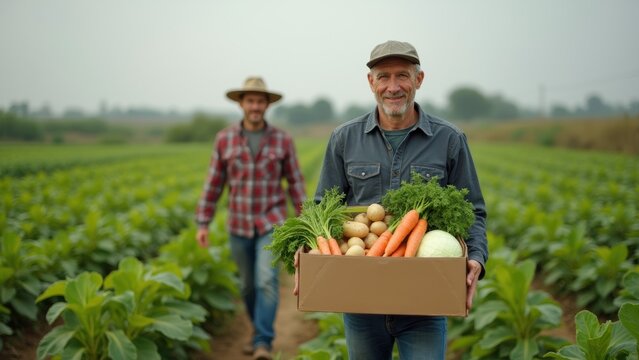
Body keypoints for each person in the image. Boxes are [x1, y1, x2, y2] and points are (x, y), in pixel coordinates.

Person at [308, 40, 488, 359]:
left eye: (403, 75)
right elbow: (324, 206)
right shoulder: (344, 138)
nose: (394, 87)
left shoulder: (449, 139)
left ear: (418, 80)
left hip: (425, 300)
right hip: (361, 300)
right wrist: (309, 252)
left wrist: (475, 256)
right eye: (384, 77)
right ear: (371, 83)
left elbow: (473, 211)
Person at [196, 76, 307, 360]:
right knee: (247, 285)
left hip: (272, 223)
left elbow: (295, 182)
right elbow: (213, 183)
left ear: (267, 104)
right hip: (238, 224)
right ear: (241, 104)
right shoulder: (225, 139)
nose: (255, 106)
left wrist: (305, 222)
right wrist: (203, 222)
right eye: (250, 101)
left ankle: (262, 343)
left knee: (266, 281)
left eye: (260, 101)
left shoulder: (282, 139)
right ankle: (257, 332)